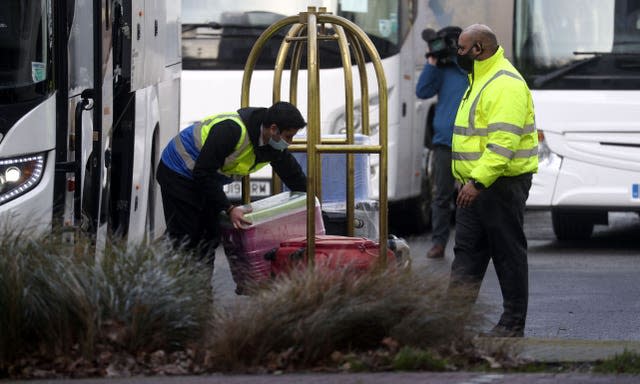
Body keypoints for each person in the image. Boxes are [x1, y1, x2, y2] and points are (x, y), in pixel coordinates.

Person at [447, 24, 538, 337]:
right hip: (475, 186)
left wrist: (478, 182)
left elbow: (502, 144)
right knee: (466, 255)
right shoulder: (481, 78)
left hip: (499, 186)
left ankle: (513, 324)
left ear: (478, 48)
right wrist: (468, 182)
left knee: (507, 254)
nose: (456, 54)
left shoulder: (504, 83)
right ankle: (450, 325)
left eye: (460, 48)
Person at [156, 101, 308, 265]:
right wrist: (229, 208)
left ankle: (200, 287)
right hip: (178, 171)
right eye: (288, 136)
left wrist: (312, 202)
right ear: (273, 129)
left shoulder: (273, 146)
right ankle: (170, 283)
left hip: (204, 178)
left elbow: (293, 175)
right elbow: (203, 172)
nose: (290, 142)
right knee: (187, 236)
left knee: (209, 236)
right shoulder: (232, 130)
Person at [415, 26, 469, 259]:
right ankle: (439, 243)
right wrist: (432, 63)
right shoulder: (441, 69)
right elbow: (423, 91)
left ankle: (471, 243)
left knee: (473, 195)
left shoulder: (470, 69)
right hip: (445, 143)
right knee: (442, 196)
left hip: (471, 142)